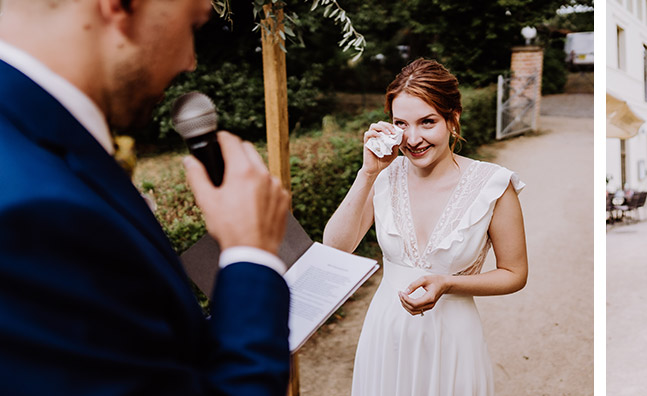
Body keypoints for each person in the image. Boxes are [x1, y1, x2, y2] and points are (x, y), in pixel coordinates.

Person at [0, 0, 293, 394]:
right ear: (120, 6)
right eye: (193, 24)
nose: (190, 61)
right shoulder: (33, 213)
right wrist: (250, 253)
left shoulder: (34, 144)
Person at [323, 58, 528, 396]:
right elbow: (336, 247)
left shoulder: (493, 184)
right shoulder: (384, 177)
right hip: (385, 335)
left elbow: (514, 273)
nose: (413, 138)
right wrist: (368, 173)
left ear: (453, 119)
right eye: (400, 123)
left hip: (454, 341)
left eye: (427, 122)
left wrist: (447, 283)